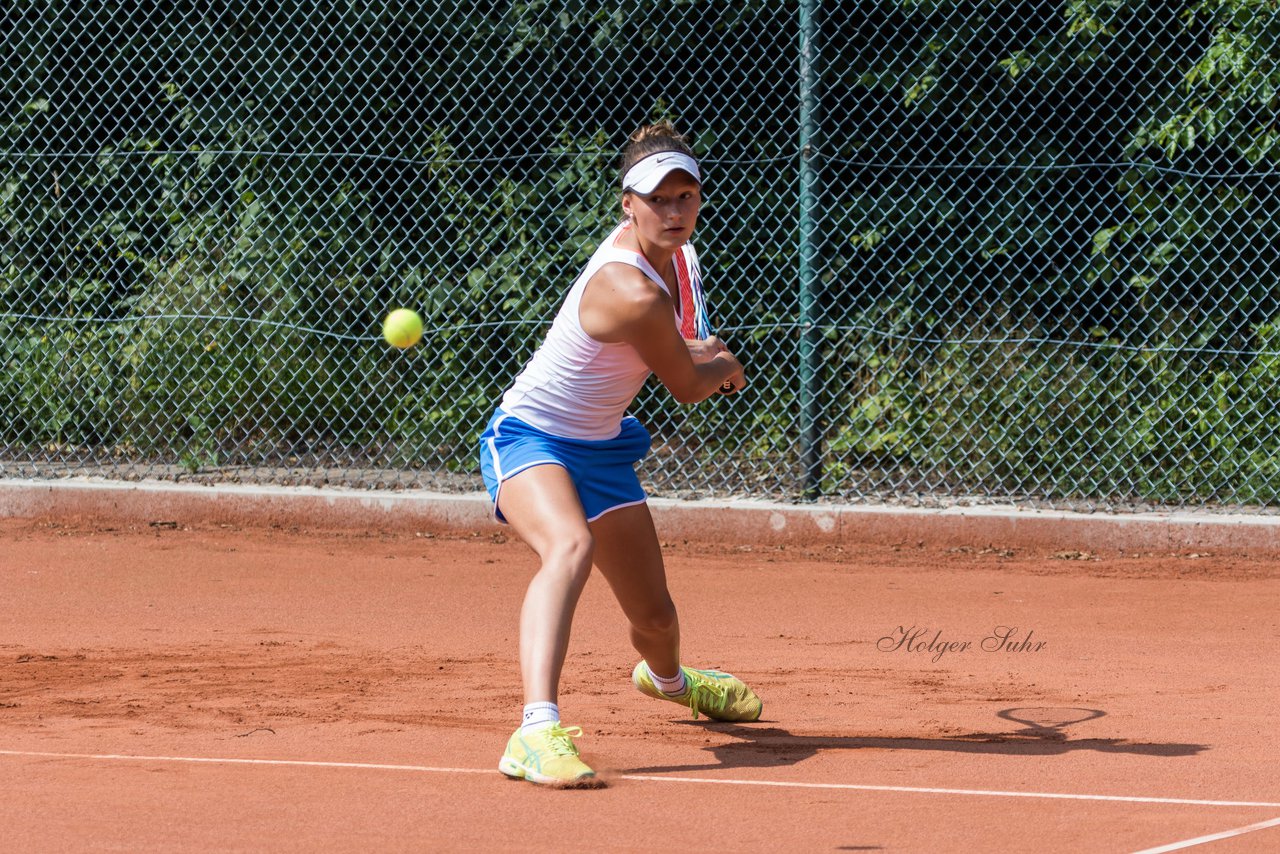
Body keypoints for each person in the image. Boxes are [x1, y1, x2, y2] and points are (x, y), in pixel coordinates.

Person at [478, 120, 763, 788]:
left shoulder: (681, 260)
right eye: (656, 199)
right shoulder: (629, 288)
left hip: (601, 449)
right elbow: (689, 386)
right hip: (530, 436)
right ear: (626, 204)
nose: (672, 211)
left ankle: (669, 683)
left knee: (656, 618)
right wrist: (724, 362)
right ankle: (535, 730)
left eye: (684, 196)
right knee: (569, 547)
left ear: (698, 199)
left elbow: (676, 351)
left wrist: (704, 358)